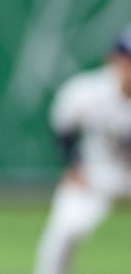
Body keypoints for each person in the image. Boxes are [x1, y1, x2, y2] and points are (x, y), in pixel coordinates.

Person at [34, 24, 131, 274]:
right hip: (98, 174)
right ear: (114, 58)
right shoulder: (86, 91)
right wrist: (71, 164)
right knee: (61, 236)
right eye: (128, 58)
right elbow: (62, 124)